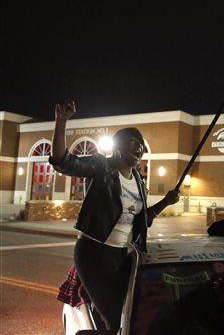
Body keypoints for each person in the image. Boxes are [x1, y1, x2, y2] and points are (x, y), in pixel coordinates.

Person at [50, 101, 180, 334]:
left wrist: (165, 202)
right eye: (133, 143)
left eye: (141, 145)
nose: (139, 148)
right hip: (93, 253)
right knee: (113, 319)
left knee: (130, 314)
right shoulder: (102, 167)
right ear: (119, 146)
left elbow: (143, 218)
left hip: (122, 255)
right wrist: (61, 122)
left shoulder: (139, 181)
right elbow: (63, 161)